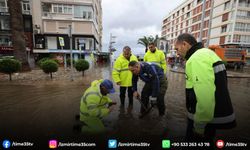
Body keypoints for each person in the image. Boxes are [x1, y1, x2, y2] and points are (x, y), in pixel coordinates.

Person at [174, 33, 236, 145]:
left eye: (177, 49)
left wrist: (199, 126)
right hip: (210, 115)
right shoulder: (207, 53)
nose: (177, 53)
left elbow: (205, 94)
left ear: (185, 44)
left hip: (203, 119)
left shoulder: (197, 58)